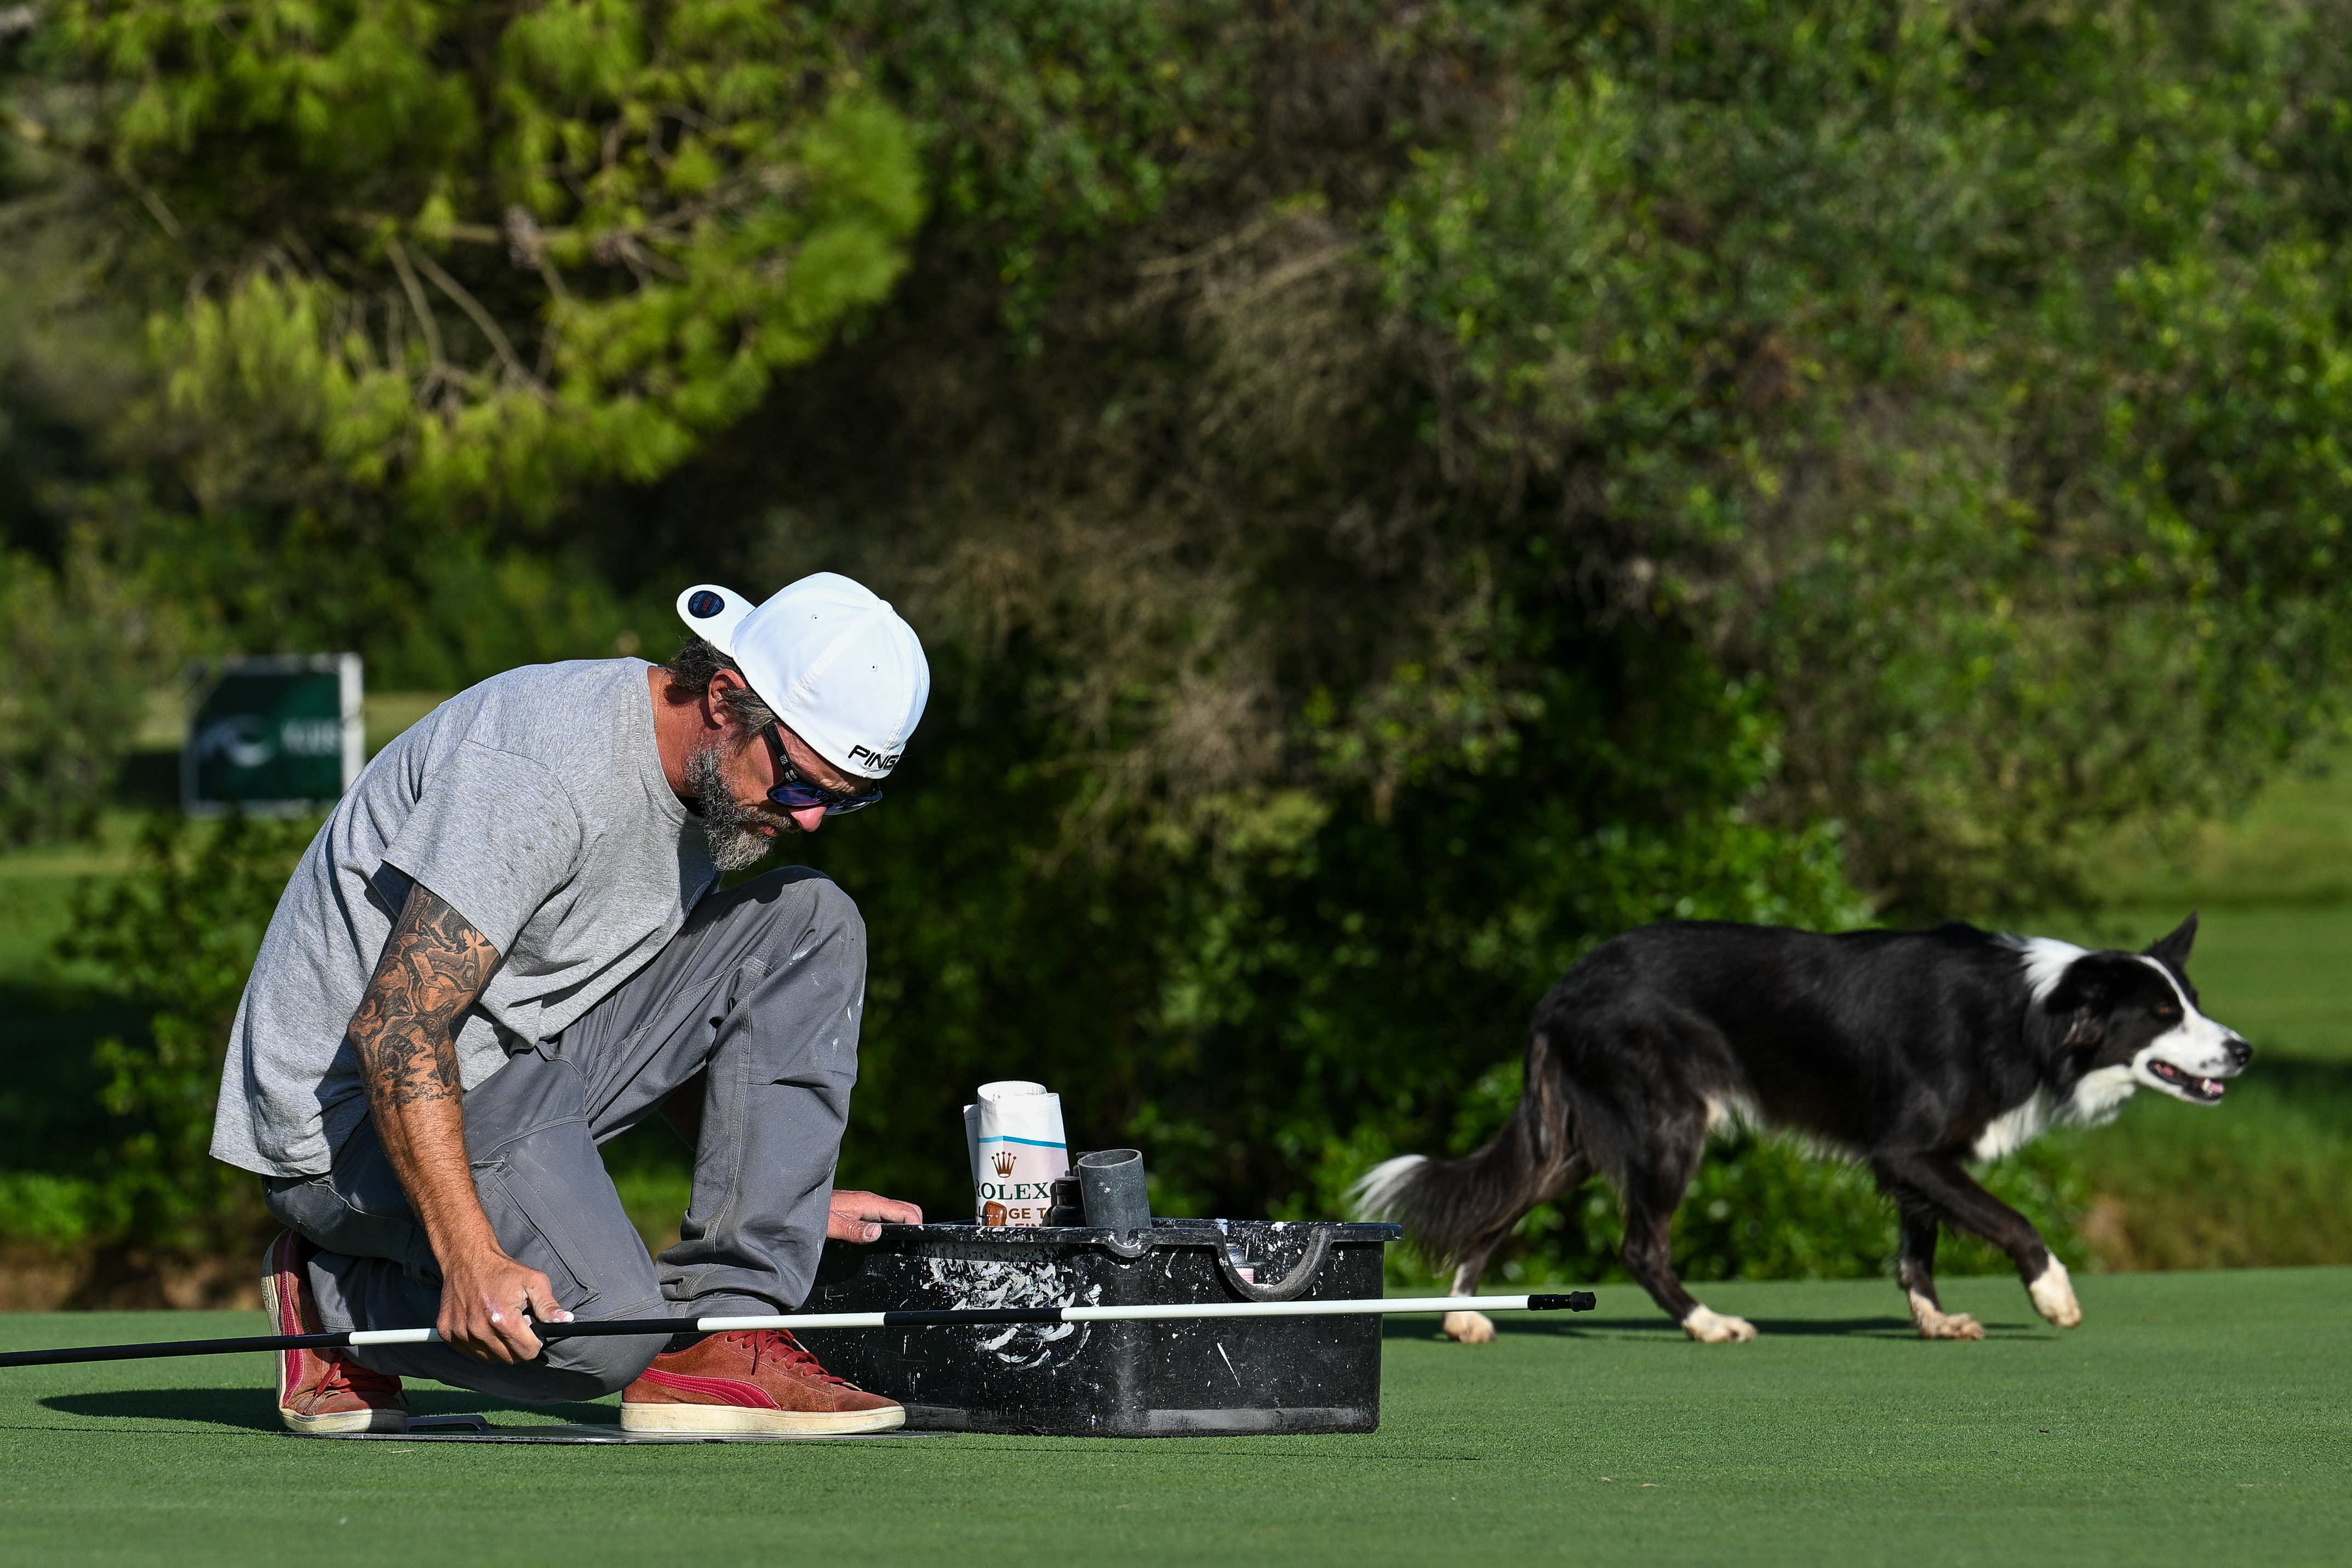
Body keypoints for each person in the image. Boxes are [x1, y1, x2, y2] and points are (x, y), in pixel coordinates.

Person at [211, 572, 932, 1435]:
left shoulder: (714, 786)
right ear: (724, 698)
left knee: (810, 920)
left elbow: (637, 1002)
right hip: (342, 1131)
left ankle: (722, 1333)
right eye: (800, 785)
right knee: (597, 1335)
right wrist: (469, 1256)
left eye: (840, 799)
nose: (810, 817)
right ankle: (333, 1297)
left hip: (511, 1072)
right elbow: (399, 1026)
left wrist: (772, 1189)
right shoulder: (543, 769)